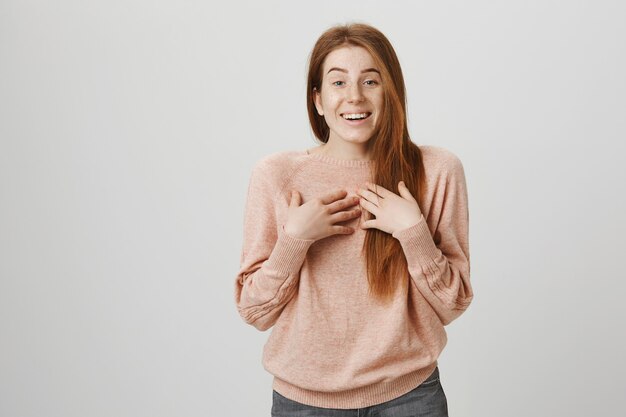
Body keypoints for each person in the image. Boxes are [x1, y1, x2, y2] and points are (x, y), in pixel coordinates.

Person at [234, 22, 474, 417]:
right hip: (303, 404)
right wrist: (294, 240)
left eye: (371, 81)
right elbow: (254, 311)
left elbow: (453, 303)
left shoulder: (437, 170)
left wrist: (413, 233)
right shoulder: (276, 175)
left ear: (391, 91)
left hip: (411, 397)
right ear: (318, 99)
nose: (355, 97)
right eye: (339, 83)